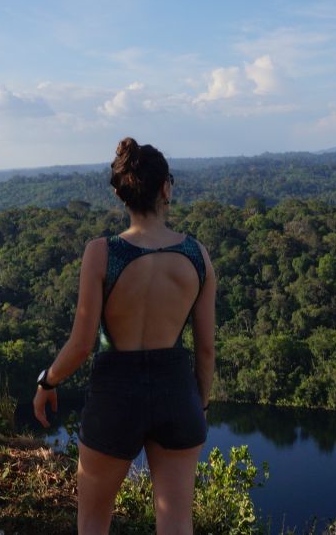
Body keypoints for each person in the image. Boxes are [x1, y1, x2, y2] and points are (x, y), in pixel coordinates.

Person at [33, 137, 217, 535]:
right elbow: (205, 348)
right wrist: (199, 405)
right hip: (176, 390)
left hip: (115, 392)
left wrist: (48, 380)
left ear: (119, 194)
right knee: (176, 523)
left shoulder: (102, 253)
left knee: (94, 520)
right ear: (166, 188)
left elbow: (82, 344)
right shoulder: (196, 256)